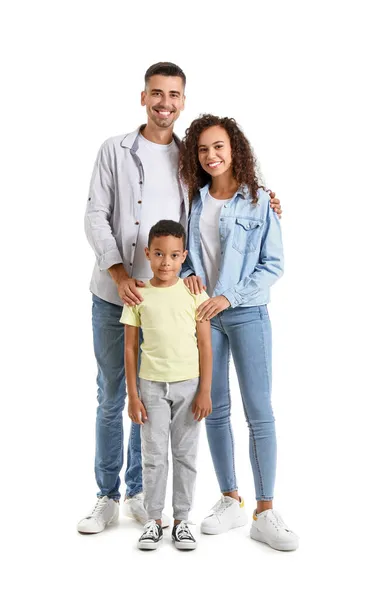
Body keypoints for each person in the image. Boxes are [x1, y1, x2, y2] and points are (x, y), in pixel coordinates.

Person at [77, 62, 282, 534]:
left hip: (173, 301)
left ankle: (137, 491)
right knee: (114, 396)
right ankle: (107, 495)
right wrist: (118, 270)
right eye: (156, 93)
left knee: (153, 391)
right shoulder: (115, 150)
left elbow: (224, 192)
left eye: (173, 95)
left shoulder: (188, 159)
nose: (164, 102)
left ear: (182, 101)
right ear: (143, 97)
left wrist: (267, 199)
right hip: (118, 292)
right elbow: (95, 214)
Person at [180, 114, 299, 551]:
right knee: (213, 407)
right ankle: (230, 499)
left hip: (247, 314)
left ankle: (265, 512)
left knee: (259, 411)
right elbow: (187, 255)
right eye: (203, 149)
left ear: (235, 150)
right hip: (204, 318)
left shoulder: (260, 200)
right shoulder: (194, 202)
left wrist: (229, 297)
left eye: (219, 147)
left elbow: (273, 265)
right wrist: (190, 275)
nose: (211, 156)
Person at [120, 219, 212, 550]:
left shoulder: (194, 292)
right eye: (158, 254)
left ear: (183, 256)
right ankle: (154, 521)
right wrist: (133, 395)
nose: (166, 263)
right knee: (154, 455)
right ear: (147, 254)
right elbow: (130, 347)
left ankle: (183, 520)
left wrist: (205, 389)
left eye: (174, 256)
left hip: (189, 386)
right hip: (151, 387)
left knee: (185, 455)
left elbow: (205, 344)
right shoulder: (139, 294)